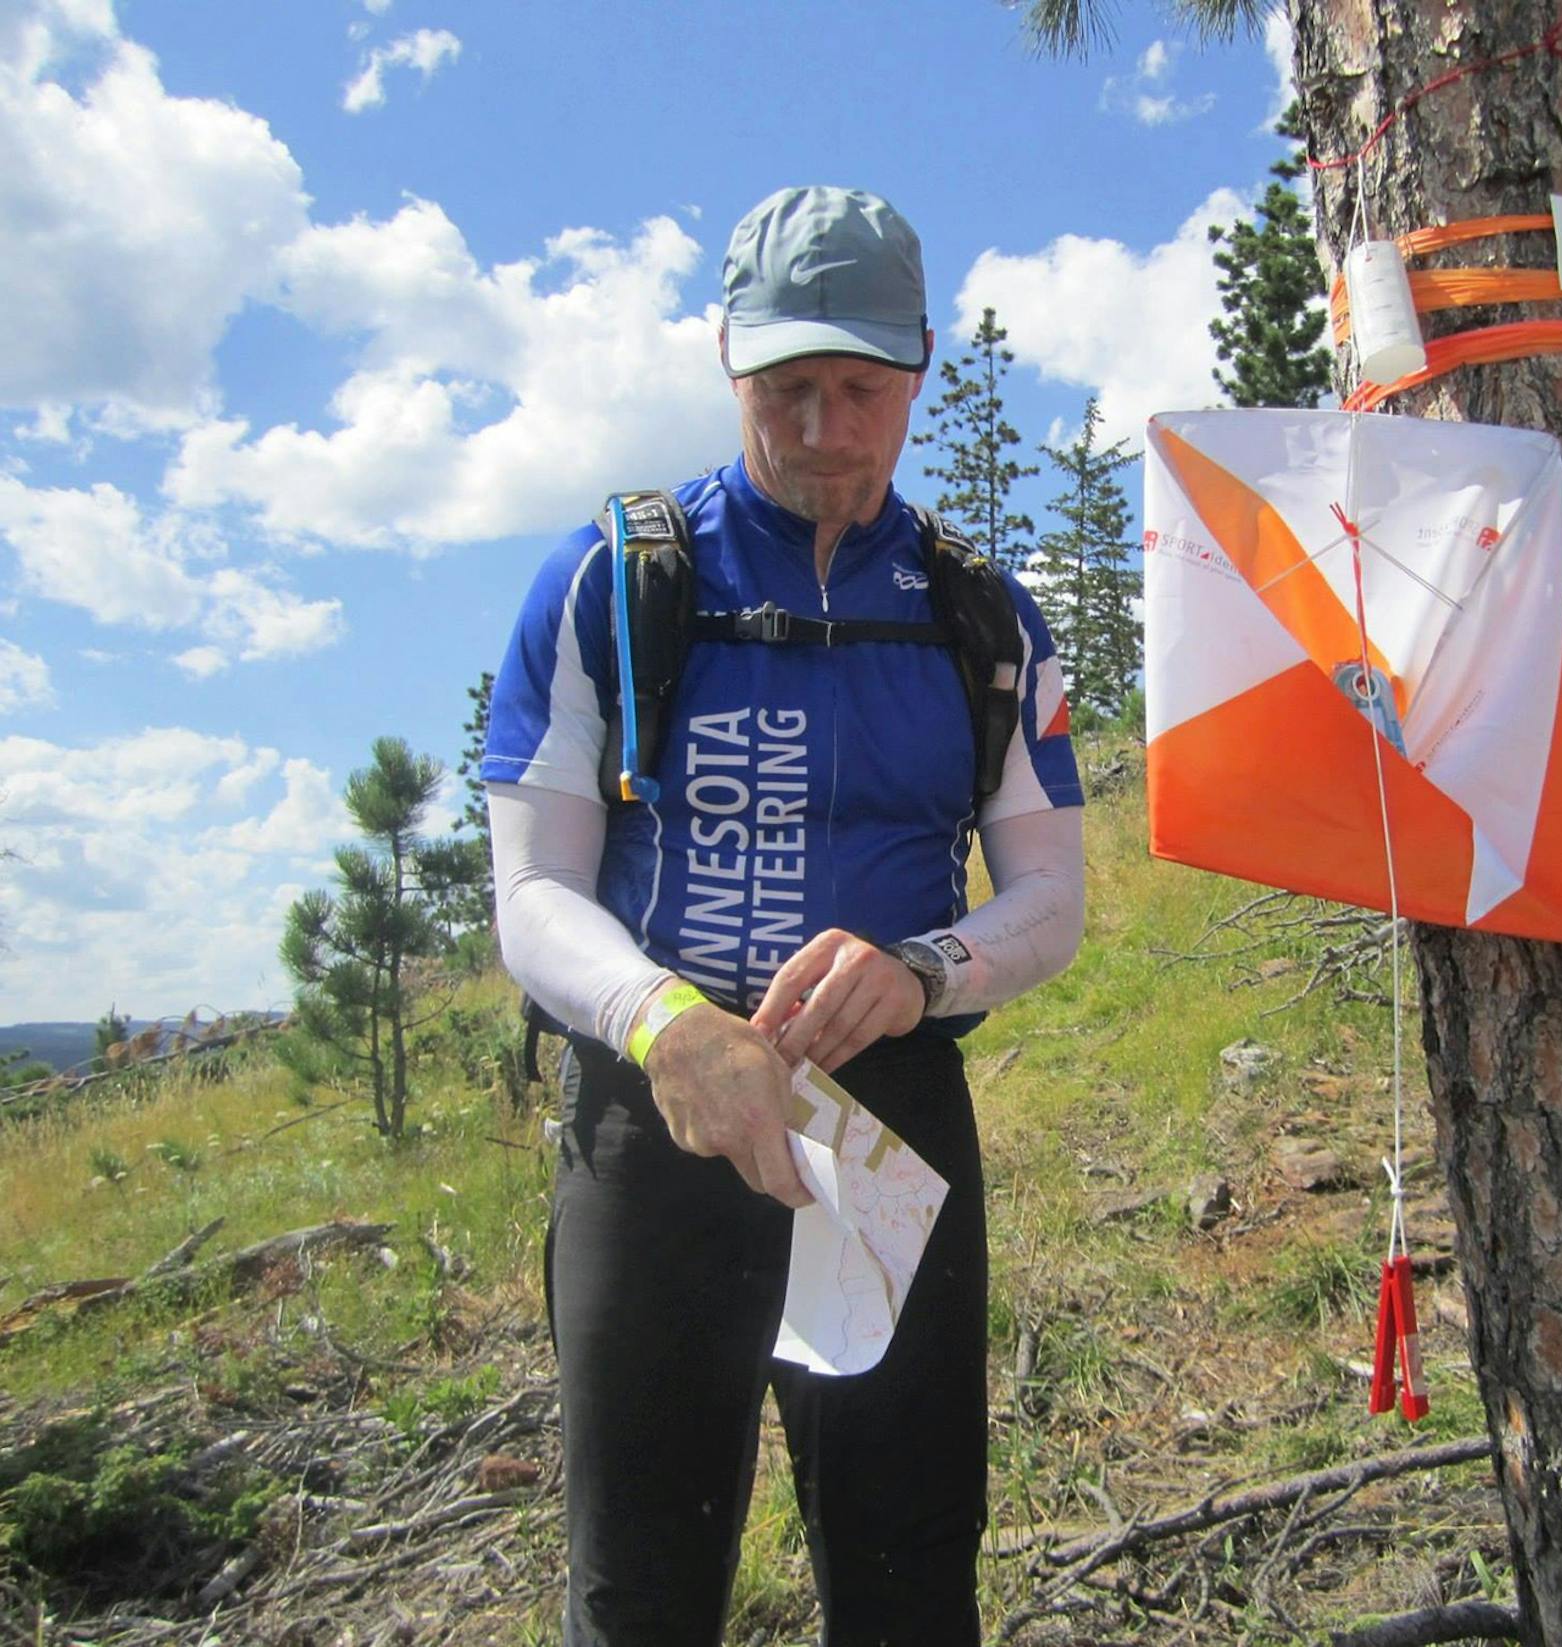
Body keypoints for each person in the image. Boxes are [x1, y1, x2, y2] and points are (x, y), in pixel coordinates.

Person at [479, 185, 1086, 1646]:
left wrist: (925, 969)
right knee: (641, 1582)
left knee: (909, 1566)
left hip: (889, 1115)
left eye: (861, 389)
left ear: (920, 368)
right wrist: (664, 1022)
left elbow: (1054, 896)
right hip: (661, 1115)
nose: (824, 429)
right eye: (786, 387)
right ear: (728, 361)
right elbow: (533, 891)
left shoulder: (980, 615)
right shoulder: (615, 582)